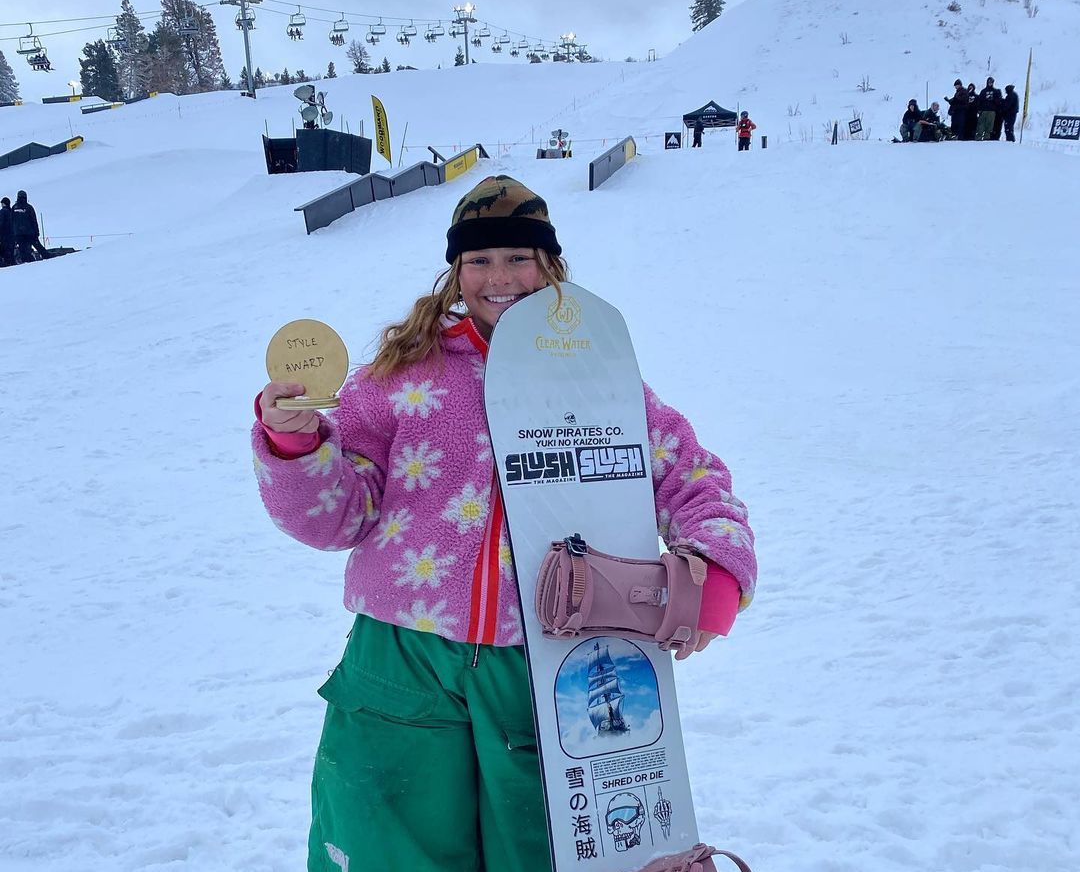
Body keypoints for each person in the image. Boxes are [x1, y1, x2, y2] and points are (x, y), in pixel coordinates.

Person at [251, 175, 758, 872]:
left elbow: (691, 476)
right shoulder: (400, 377)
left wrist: (717, 574)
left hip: (545, 663)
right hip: (404, 658)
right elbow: (337, 518)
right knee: (391, 850)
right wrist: (297, 445)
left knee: (540, 852)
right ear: (456, 272)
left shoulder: (599, 376)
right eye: (480, 260)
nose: (501, 277)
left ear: (550, 266)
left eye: (520, 256)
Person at [11, 190, 47, 263]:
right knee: (38, 247)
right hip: (30, 233)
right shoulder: (29, 207)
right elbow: (34, 220)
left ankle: (27, 263)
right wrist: (37, 232)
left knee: (23, 250)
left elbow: (12, 221)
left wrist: (13, 233)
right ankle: (47, 257)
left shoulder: (14, 207)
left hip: (18, 234)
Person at [0, 197, 14, 268]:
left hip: (4, 235)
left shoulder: (2, 211)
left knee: (4, 251)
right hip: (12, 235)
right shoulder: (11, 211)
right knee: (11, 252)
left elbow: (1, 224)